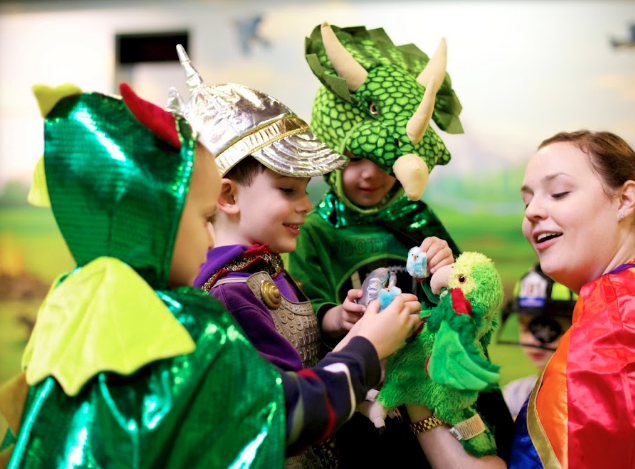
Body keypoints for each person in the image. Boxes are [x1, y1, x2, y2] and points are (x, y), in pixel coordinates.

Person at [0, 83, 420, 469]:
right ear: (157, 224)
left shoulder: (77, 307)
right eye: (204, 217)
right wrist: (367, 346)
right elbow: (279, 414)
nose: (209, 236)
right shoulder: (192, 321)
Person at [168, 47, 420, 468]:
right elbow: (290, 407)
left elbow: (297, 350)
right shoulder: (231, 293)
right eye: (287, 190)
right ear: (228, 195)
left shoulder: (261, 269)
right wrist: (368, 343)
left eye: (305, 190)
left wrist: (333, 322)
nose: (306, 205)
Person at [289, 23, 514, 469]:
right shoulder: (315, 230)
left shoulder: (417, 218)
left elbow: (462, 302)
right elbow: (301, 312)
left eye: (384, 161)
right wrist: (337, 317)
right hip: (361, 403)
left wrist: (445, 270)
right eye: (356, 159)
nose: (370, 174)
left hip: (430, 393)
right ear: (332, 154)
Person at [511, 130, 635, 468]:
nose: (532, 211)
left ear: (624, 200)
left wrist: (425, 408)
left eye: (559, 193)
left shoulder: (621, 318)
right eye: (526, 201)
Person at [497, 263, 576, 419]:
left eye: (547, 327)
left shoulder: (596, 398)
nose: (533, 340)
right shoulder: (515, 395)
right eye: (525, 326)